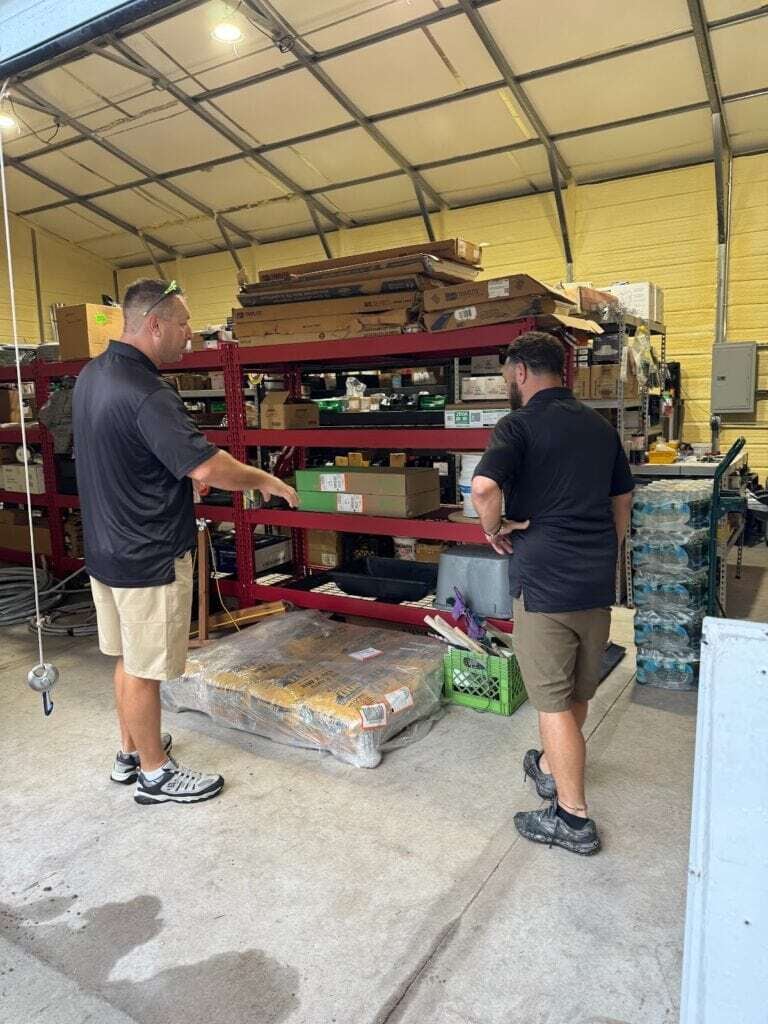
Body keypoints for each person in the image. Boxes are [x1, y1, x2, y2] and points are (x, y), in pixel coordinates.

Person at [73, 278, 298, 807]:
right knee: (147, 670)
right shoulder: (146, 392)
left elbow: (127, 451)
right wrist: (264, 479)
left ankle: (130, 752)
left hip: (107, 548)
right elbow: (209, 464)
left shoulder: (92, 376)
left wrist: (177, 471)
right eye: (183, 324)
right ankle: (155, 774)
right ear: (154, 325)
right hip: (148, 553)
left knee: (129, 659)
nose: (190, 336)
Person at [471, 331, 634, 855]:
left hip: (543, 583)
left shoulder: (517, 425)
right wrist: (609, 542)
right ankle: (547, 767)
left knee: (551, 703)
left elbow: (483, 488)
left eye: (506, 377)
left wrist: (492, 528)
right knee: (577, 693)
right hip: (594, 579)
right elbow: (623, 494)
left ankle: (573, 818)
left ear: (520, 373)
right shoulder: (598, 426)